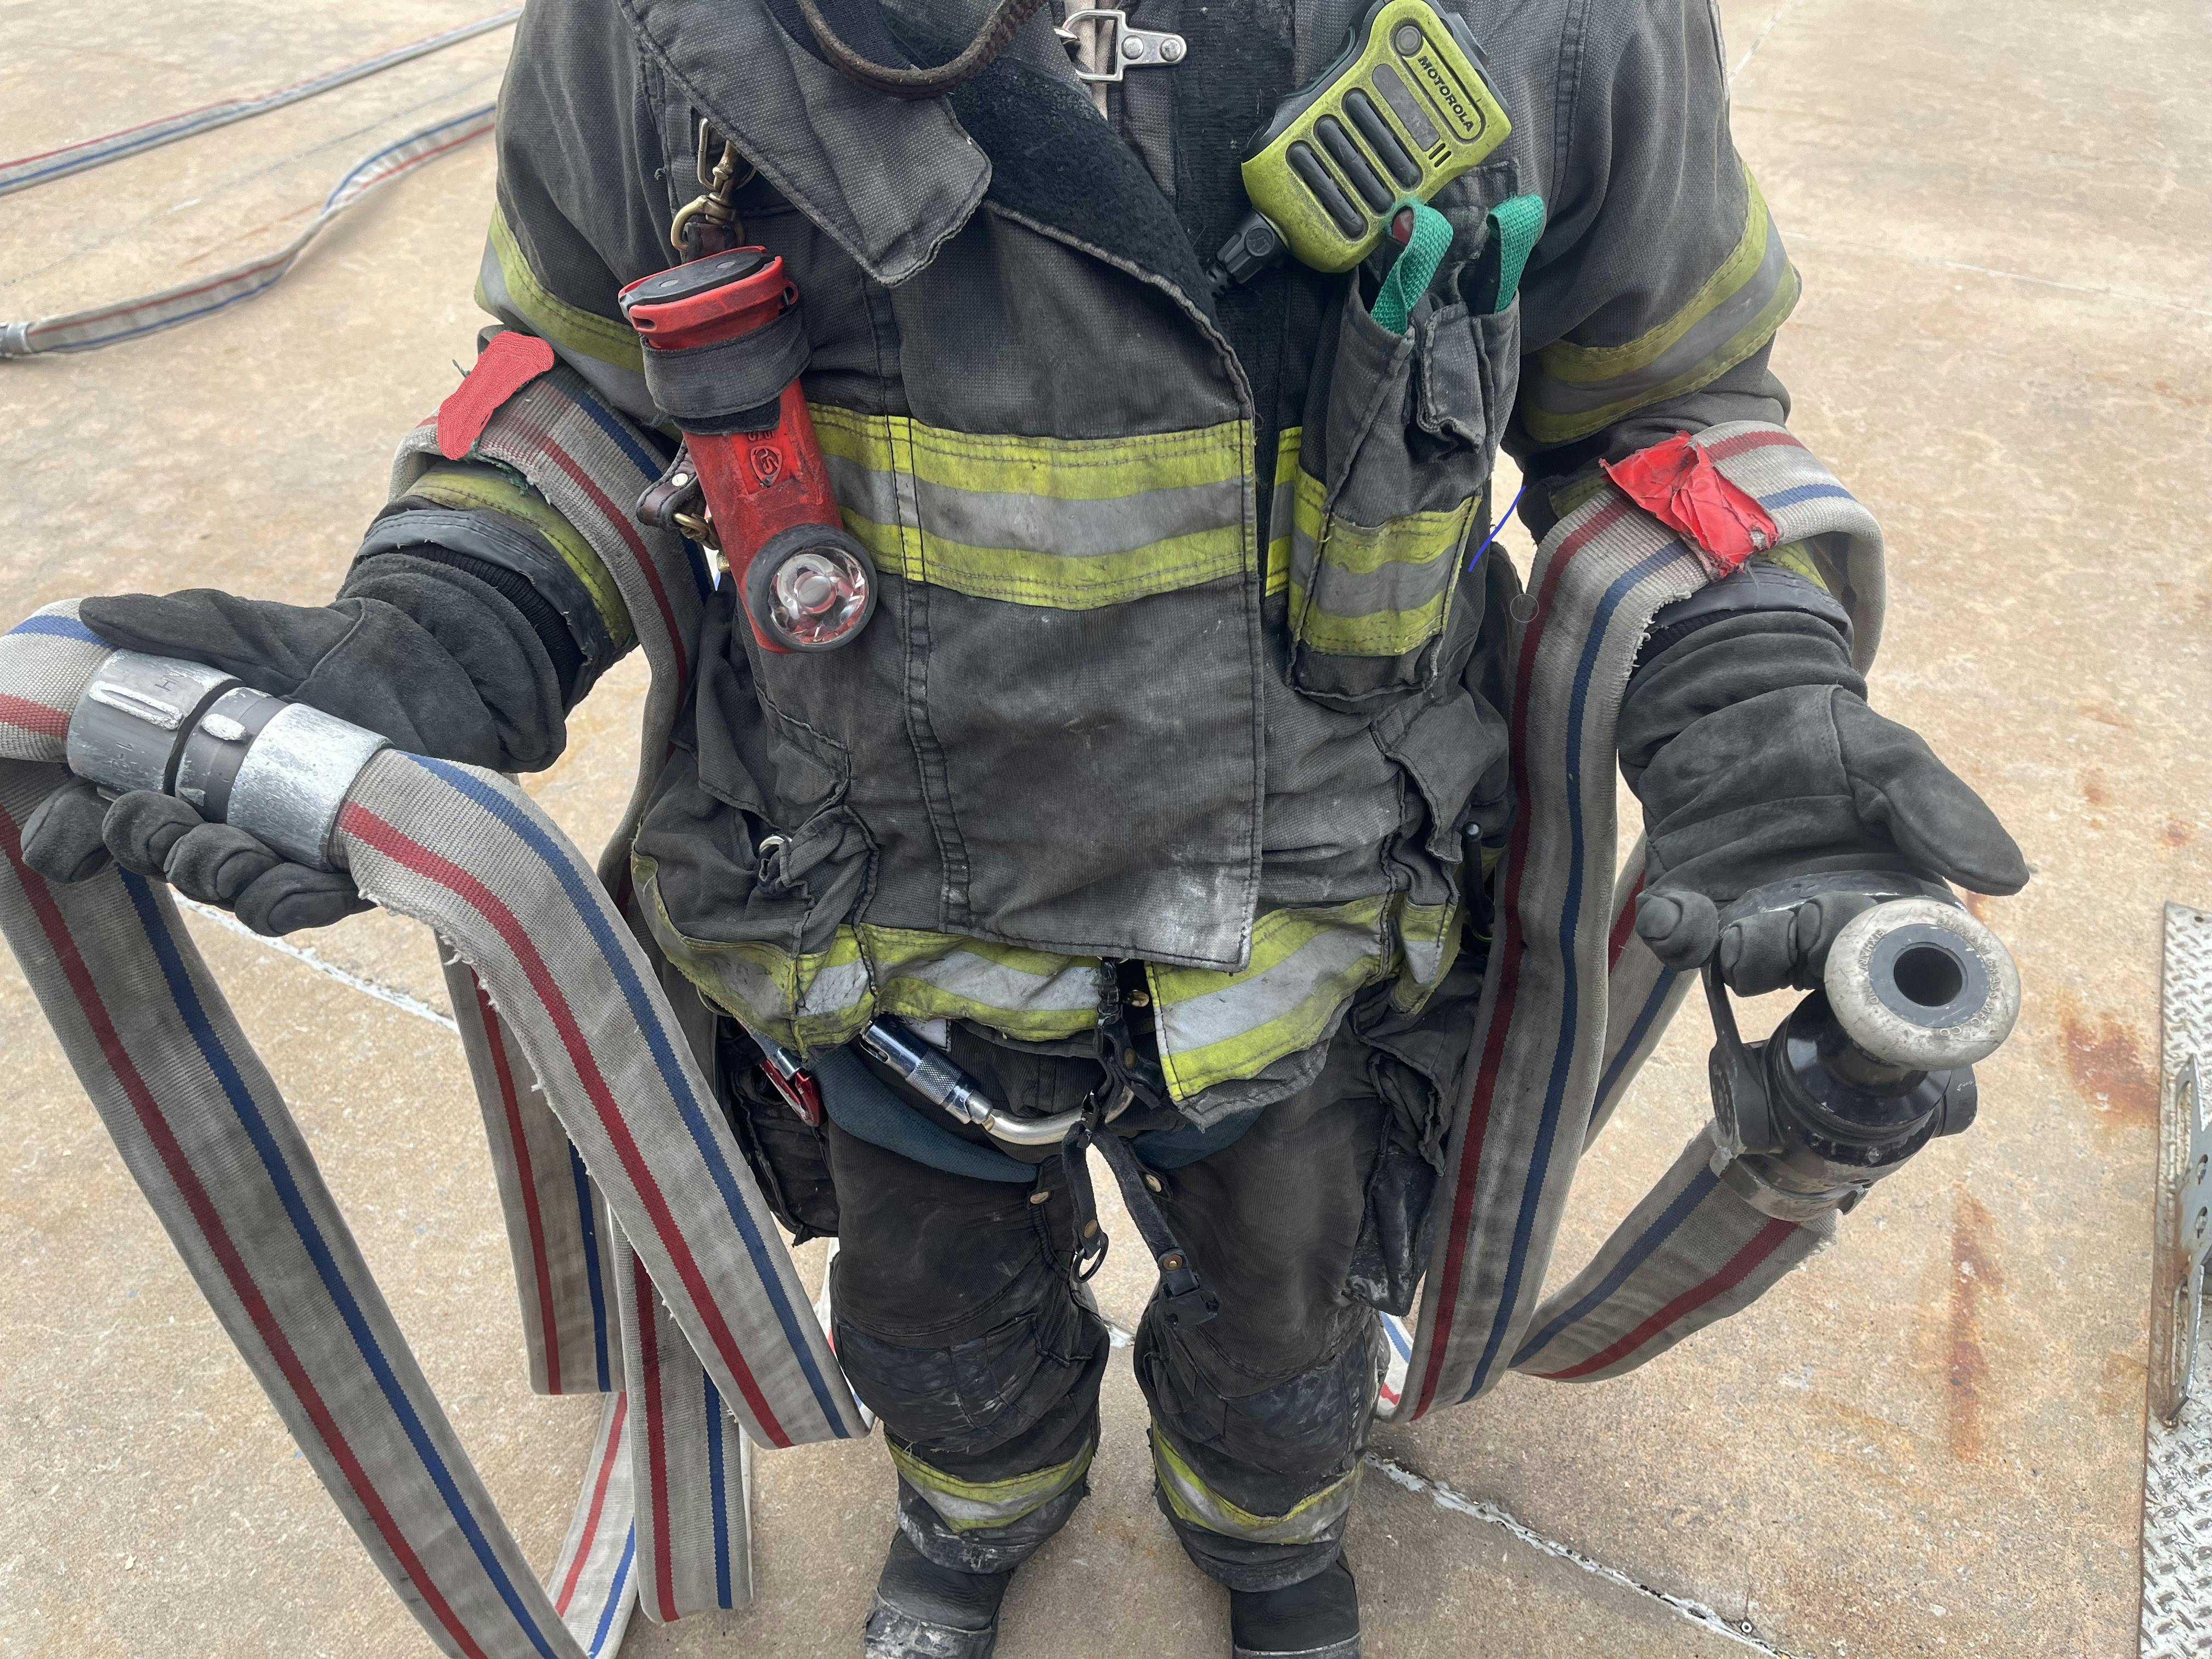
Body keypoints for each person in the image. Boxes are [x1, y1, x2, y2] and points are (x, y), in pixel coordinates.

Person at [21, 0, 2027, 1653]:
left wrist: (1756, 713)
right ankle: (984, 1511)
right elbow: (591, 394)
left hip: (1322, 928)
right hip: (876, 923)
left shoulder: (1556, 24)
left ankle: (1267, 1530)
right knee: (931, 1317)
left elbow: (1660, 412)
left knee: (1290, 1307)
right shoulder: (671, 28)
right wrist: (439, 635)